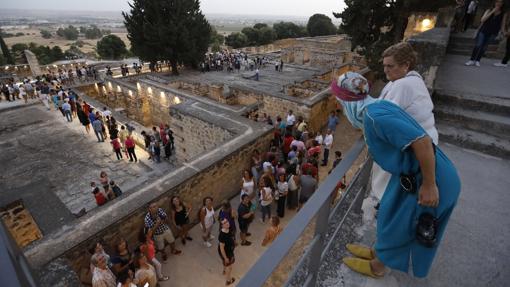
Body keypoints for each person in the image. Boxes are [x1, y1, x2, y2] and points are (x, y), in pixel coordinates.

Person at [332, 71, 460, 278]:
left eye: (339, 101)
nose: (339, 106)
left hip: (430, 176)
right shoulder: (375, 108)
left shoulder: (375, 117)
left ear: (348, 101)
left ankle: (378, 267)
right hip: (412, 174)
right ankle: (379, 252)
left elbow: (423, 142)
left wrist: (429, 184)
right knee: (390, 216)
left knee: (403, 224)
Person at [376, 43, 439, 202]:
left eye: (390, 66)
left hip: (417, 146)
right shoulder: (405, 80)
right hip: (422, 142)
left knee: (397, 191)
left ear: (406, 65)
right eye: (384, 66)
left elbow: (383, 116)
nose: (385, 70)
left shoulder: (403, 84)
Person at [466, 0, 507, 66]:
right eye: (497, 1)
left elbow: (502, 25)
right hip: (483, 30)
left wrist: (504, 32)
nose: (499, 3)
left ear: (502, 4)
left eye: (501, 2)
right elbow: (482, 20)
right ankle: (471, 60)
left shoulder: (503, 13)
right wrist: (492, 11)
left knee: (484, 47)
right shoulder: (489, 10)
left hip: (493, 33)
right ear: (494, 2)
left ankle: (477, 60)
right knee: (478, 45)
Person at [218, 218, 236, 286]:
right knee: (230, 267)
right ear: (222, 226)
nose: (227, 223)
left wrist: (234, 243)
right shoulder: (222, 235)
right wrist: (225, 257)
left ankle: (224, 270)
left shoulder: (229, 228)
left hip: (229, 250)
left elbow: (231, 236)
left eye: (227, 221)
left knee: (226, 264)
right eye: (224, 223)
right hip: (226, 253)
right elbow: (222, 249)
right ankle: (228, 281)